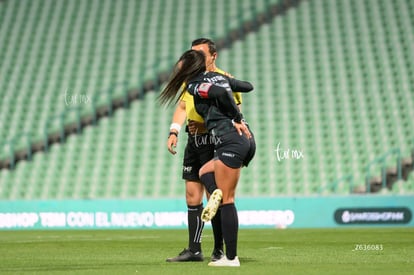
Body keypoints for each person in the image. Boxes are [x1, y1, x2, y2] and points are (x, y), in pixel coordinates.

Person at [159, 49, 256, 267]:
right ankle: (217, 195)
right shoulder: (219, 77)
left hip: (231, 139)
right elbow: (248, 86)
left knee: (228, 201)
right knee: (204, 173)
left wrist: (236, 117)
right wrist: (226, 81)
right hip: (243, 140)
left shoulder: (195, 85)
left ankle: (230, 258)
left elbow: (221, 96)